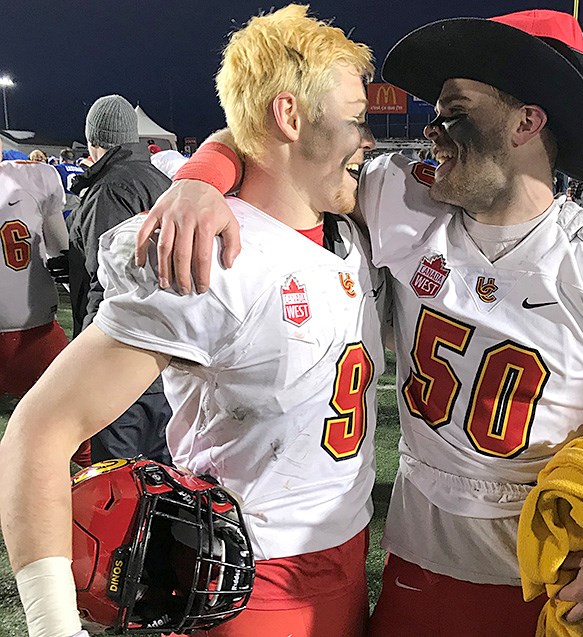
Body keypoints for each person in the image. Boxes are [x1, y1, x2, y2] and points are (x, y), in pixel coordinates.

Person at [138, 9, 583, 636]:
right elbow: (278, 141)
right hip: (412, 570)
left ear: (526, 122)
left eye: (454, 110)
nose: (432, 131)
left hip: (536, 583)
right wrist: (201, 179)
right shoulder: (402, 202)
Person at [0, 6, 382, 637]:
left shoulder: (346, 227)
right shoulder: (214, 253)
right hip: (245, 586)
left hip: (346, 565)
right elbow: (37, 434)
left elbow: (245, 142)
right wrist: (51, 626)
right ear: (289, 116)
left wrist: (208, 167)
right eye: (356, 119)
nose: (367, 139)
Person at [67, 94, 173, 464]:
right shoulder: (160, 178)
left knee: (118, 470)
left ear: (95, 140)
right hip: (164, 338)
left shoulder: (110, 188)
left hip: (121, 342)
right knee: (161, 466)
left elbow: (109, 273)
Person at [0, 139, 70, 399]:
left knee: (68, 419)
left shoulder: (33, 179)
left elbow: (62, 257)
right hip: (36, 329)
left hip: (36, 332)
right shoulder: (33, 179)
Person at [53, 148, 85, 219]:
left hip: (66, 205)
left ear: (62, 159)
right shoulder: (83, 170)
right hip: (81, 207)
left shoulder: (57, 168)